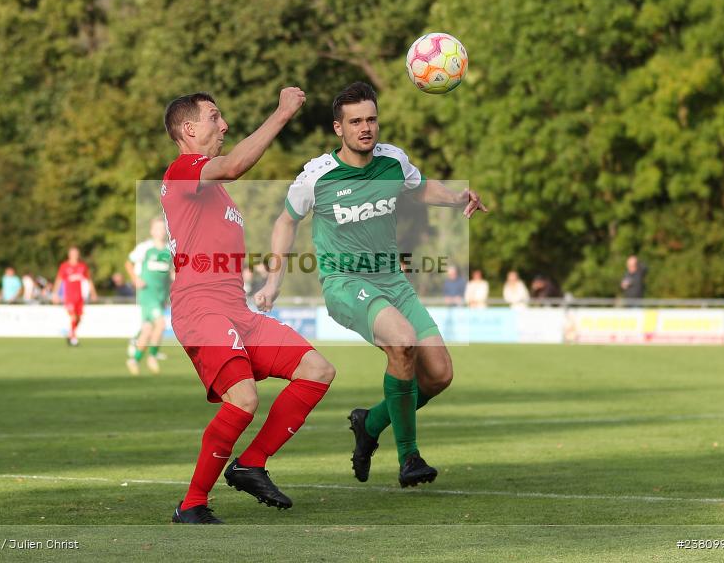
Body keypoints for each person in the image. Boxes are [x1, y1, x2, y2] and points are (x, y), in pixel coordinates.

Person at [257, 82, 486, 490]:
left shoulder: (393, 161)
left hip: (393, 281)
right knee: (402, 341)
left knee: (438, 375)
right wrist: (274, 280)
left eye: (371, 119)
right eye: (355, 121)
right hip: (345, 283)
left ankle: (370, 423)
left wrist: (457, 197)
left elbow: (420, 187)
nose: (365, 128)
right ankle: (409, 457)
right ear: (338, 128)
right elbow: (286, 221)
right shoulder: (317, 176)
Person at [161, 87, 334, 524]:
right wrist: (282, 112)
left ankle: (250, 464)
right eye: (214, 117)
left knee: (317, 369)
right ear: (188, 129)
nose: (224, 125)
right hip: (200, 310)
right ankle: (192, 505)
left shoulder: (213, 191)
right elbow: (236, 165)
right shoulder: (183, 169)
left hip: (237, 311)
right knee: (243, 398)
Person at [124, 218, 172, 375]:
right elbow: (128, 263)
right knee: (161, 324)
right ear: (152, 231)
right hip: (147, 294)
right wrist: (135, 279)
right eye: (157, 228)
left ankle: (134, 360)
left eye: (163, 228)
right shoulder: (145, 248)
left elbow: (171, 273)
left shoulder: (169, 250)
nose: (160, 231)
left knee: (147, 330)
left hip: (161, 296)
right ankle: (152, 356)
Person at [53, 247, 97, 346]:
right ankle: (73, 338)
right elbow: (59, 280)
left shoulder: (83, 266)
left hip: (79, 297)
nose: (74, 255)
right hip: (69, 297)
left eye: (76, 253)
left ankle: (70, 334)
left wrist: (93, 293)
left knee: (79, 319)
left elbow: (89, 280)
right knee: (73, 317)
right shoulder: (64, 266)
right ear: (69, 255)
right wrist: (55, 294)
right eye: (72, 253)